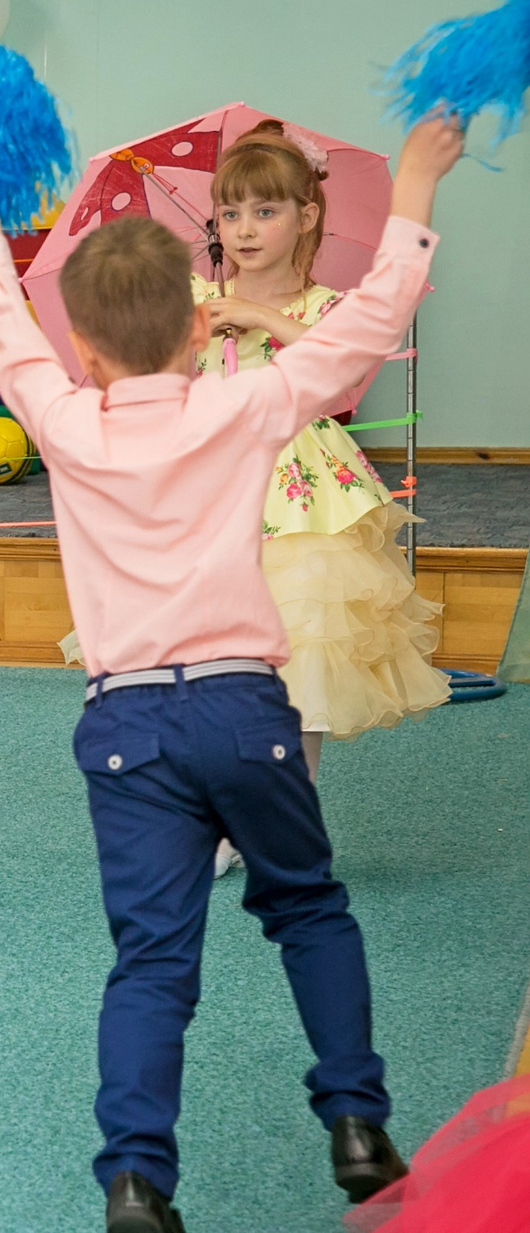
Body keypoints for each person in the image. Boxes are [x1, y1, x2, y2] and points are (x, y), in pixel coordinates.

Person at [0, 115, 466, 1233]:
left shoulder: (63, 419)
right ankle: (354, 1120)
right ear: (199, 326)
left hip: (123, 724)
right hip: (244, 709)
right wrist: (409, 188)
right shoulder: (241, 407)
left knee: (152, 962)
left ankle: (137, 1174)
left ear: (80, 345)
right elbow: (367, 320)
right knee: (305, 905)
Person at [199, 119, 449, 776]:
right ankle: (226, 817)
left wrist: (261, 319)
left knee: (301, 662)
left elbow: (339, 372)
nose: (244, 228)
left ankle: (290, 818)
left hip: (301, 500)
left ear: (307, 216)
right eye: (230, 212)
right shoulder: (198, 300)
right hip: (209, 497)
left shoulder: (321, 306)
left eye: (265, 210)